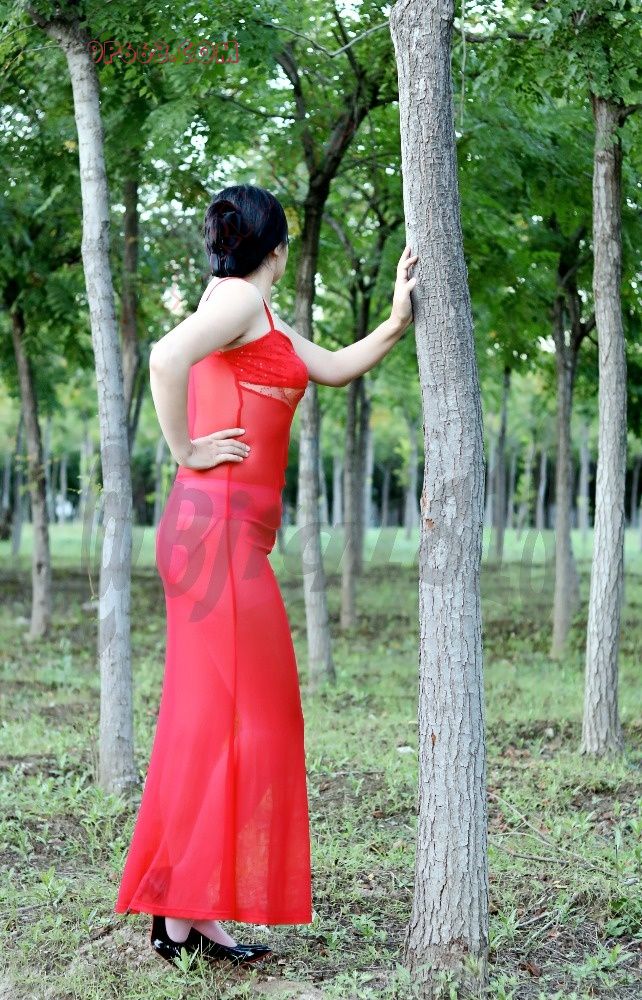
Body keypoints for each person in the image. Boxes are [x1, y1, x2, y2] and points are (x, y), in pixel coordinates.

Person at [113, 183, 418, 967]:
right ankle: (180, 908)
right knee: (260, 720)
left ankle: (186, 914)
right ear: (278, 249)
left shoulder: (261, 315)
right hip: (215, 536)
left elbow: (334, 367)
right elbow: (164, 358)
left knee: (217, 722)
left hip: (222, 538)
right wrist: (185, 451)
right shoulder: (237, 302)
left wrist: (395, 320)